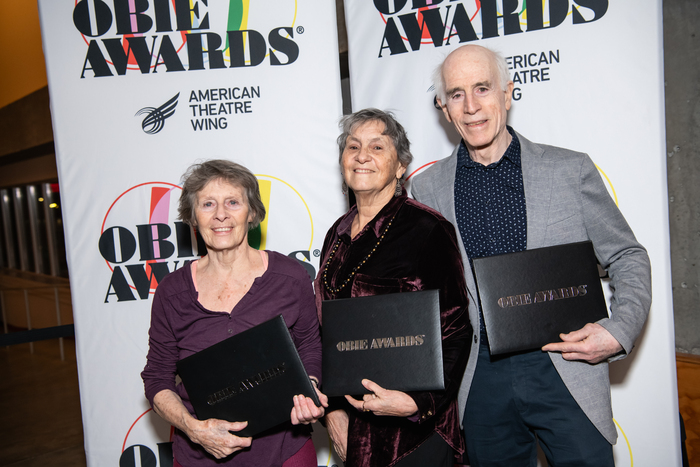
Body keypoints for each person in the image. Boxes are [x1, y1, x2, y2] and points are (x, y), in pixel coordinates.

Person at [411, 44, 652, 466]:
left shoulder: (568, 170)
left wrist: (618, 329)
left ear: (507, 93)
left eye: (483, 88)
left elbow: (628, 255)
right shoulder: (427, 188)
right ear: (444, 108)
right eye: (456, 94)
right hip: (480, 376)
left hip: (565, 365)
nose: (471, 106)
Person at [141, 159, 328, 467]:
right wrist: (194, 430)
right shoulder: (172, 293)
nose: (220, 215)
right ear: (193, 217)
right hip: (199, 456)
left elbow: (309, 344)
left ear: (251, 212)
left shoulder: (290, 277)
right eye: (207, 204)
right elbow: (157, 376)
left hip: (284, 451)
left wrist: (308, 388)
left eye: (232, 202)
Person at [315, 108, 472, 467]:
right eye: (352, 146)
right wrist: (334, 413)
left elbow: (458, 329)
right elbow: (328, 335)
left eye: (377, 147)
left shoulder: (427, 229)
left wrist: (419, 402)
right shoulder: (336, 235)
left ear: (400, 165)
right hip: (354, 426)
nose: (362, 156)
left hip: (411, 432)